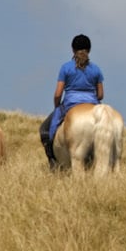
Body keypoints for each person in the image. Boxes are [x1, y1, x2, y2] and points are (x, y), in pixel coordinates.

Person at [39, 33, 105, 168]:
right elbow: (100, 95)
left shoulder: (66, 68)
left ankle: (53, 162)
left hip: (70, 104)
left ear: (73, 50)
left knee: (45, 129)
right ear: (89, 50)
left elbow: (58, 94)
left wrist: (57, 107)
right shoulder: (96, 69)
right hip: (93, 104)